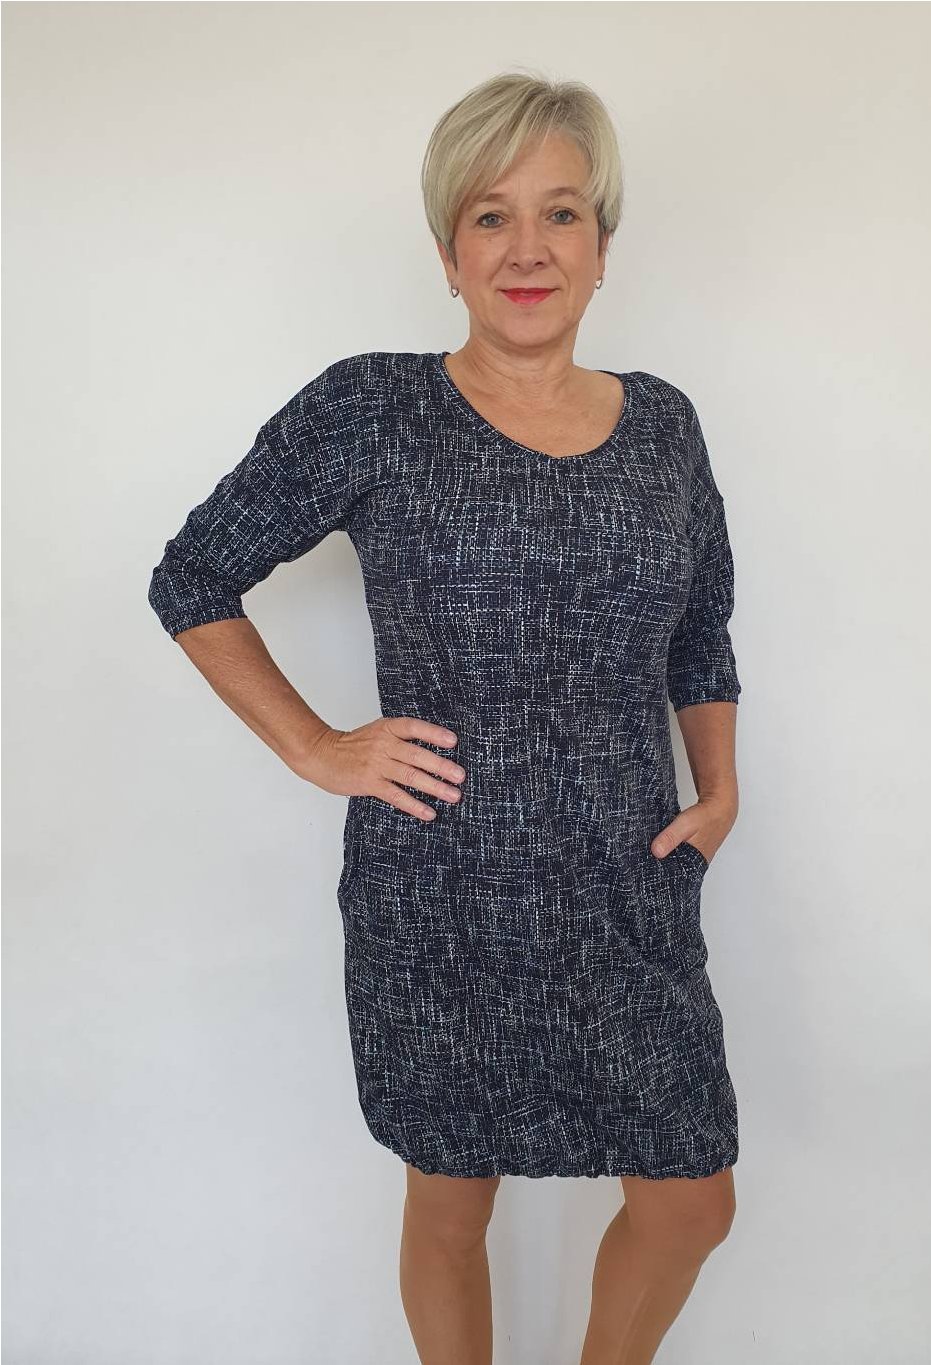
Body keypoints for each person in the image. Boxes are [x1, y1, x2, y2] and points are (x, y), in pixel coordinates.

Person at [148, 70, 743, 1365]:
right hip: (442, 886)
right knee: (451, 1194)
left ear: (602, 246)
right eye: (490, 216)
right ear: (447, 252)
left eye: (561, 213)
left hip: (626, 884)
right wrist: (317, 745)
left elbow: (701, 629)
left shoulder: (665, 427)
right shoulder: (376, 407)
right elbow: (192, 577)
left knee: (692, 1199)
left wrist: (721, 787)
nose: (528, 247)